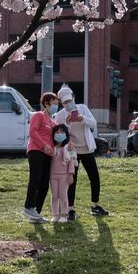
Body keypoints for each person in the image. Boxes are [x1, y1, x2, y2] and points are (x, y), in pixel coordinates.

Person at [53, 84, 109, 218]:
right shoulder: (60, 115)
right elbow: (59, 135)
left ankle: (95, 205)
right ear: (61, 102)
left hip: (86, 149)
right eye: (65, 102)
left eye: (70, 100)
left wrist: (82, 119)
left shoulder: (82, 108)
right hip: (73, 151)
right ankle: (70, 208)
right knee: (72, 179)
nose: (68, 104)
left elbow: (93, 123)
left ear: (73, 98)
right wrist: (67, 123)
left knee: (94, 176)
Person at [22, 91, 58, 223]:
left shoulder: (52, 122)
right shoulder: (38, 115)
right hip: (36, 151)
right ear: (46, 103)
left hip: (48, 154)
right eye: (54, 104)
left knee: (44, 183)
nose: (56, 106)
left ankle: (36, 213)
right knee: (35, 178)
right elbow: (32, 132)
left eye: (57, 104)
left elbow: (58, 137)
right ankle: (28, 206)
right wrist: (44, 145)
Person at [48, 123, 78, 223]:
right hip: (53, 176)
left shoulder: (68, 148)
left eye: (62, 132)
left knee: (63, 195)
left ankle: (64, 215)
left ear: (66, 134)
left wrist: (70, 174)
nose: (59, 134)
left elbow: (71, 162)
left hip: (64, 176)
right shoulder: (52, 148)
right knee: (54, 196)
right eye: (57, 132)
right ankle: (55, 215)